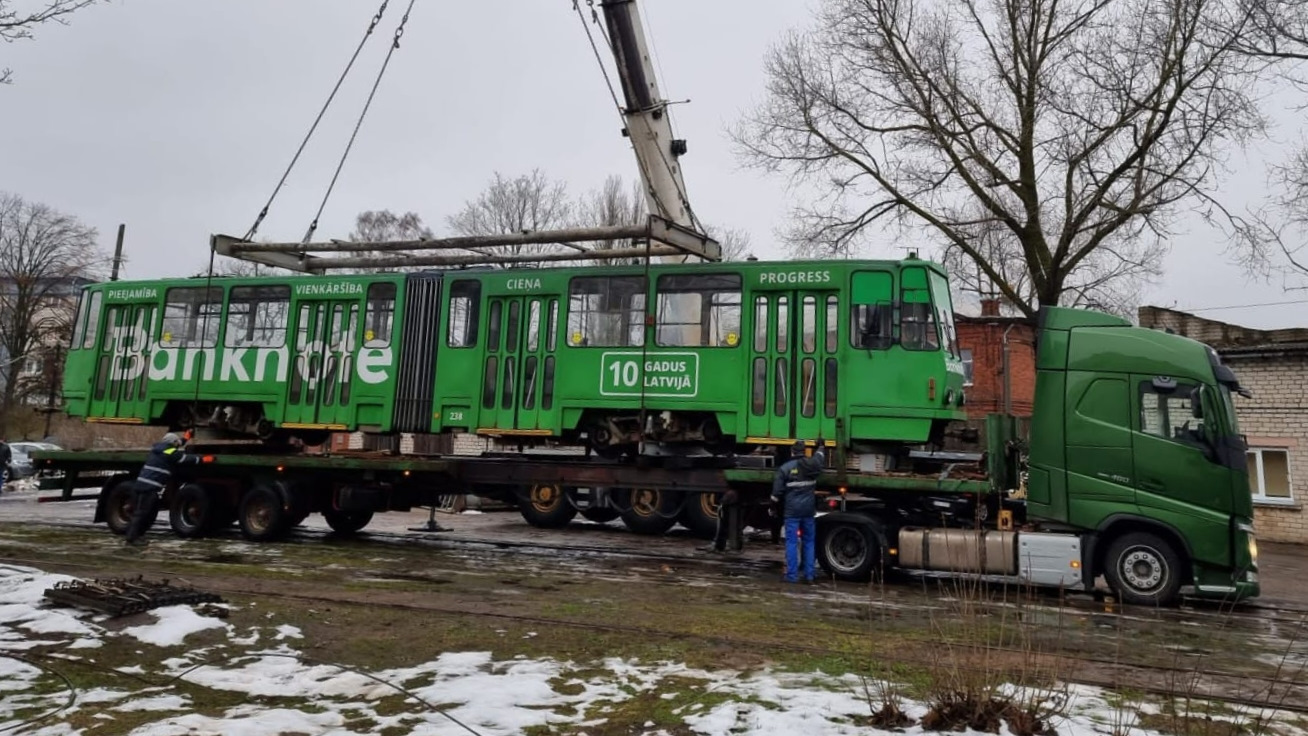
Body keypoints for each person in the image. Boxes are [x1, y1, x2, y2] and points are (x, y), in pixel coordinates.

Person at [123, 432, 201, 547]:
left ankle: (136, 536)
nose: (177, 445)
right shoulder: (169, 452)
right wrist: (203, 459)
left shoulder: (159, 449)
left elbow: (174, 448)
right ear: (172, 443)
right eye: (176, 443)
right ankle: (132, 538)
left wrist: (185, 438)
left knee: (144, 513)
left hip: (142, 486)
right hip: (149, 488)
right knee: (142, 514)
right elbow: (183, 458)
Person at [772, 438, 826, 583]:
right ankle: (809, 575)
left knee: (791, 542)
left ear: (792, 452)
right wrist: (821, 446)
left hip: (792, 512)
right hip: (808, 511)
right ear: (804, 451)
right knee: (809, 542)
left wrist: (773, 507)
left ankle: (792, 576)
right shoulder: (812, 465)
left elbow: (776, 493)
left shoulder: (785, 468)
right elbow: (820, 458)